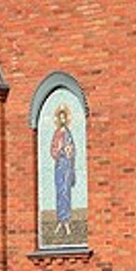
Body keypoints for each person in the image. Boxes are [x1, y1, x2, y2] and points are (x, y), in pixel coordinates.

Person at [50, 102, 79, 238]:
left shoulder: (68, 133)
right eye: (60, 118)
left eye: (64, 118)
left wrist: (68, 151)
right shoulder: (56, 134)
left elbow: (72, 149)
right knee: (59, 191)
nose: (62, 120)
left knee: (65, 191)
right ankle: (60, 220)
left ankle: (66, 221)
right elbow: (53, 149)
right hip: (59, 166)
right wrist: (58, 152)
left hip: (67, 165)